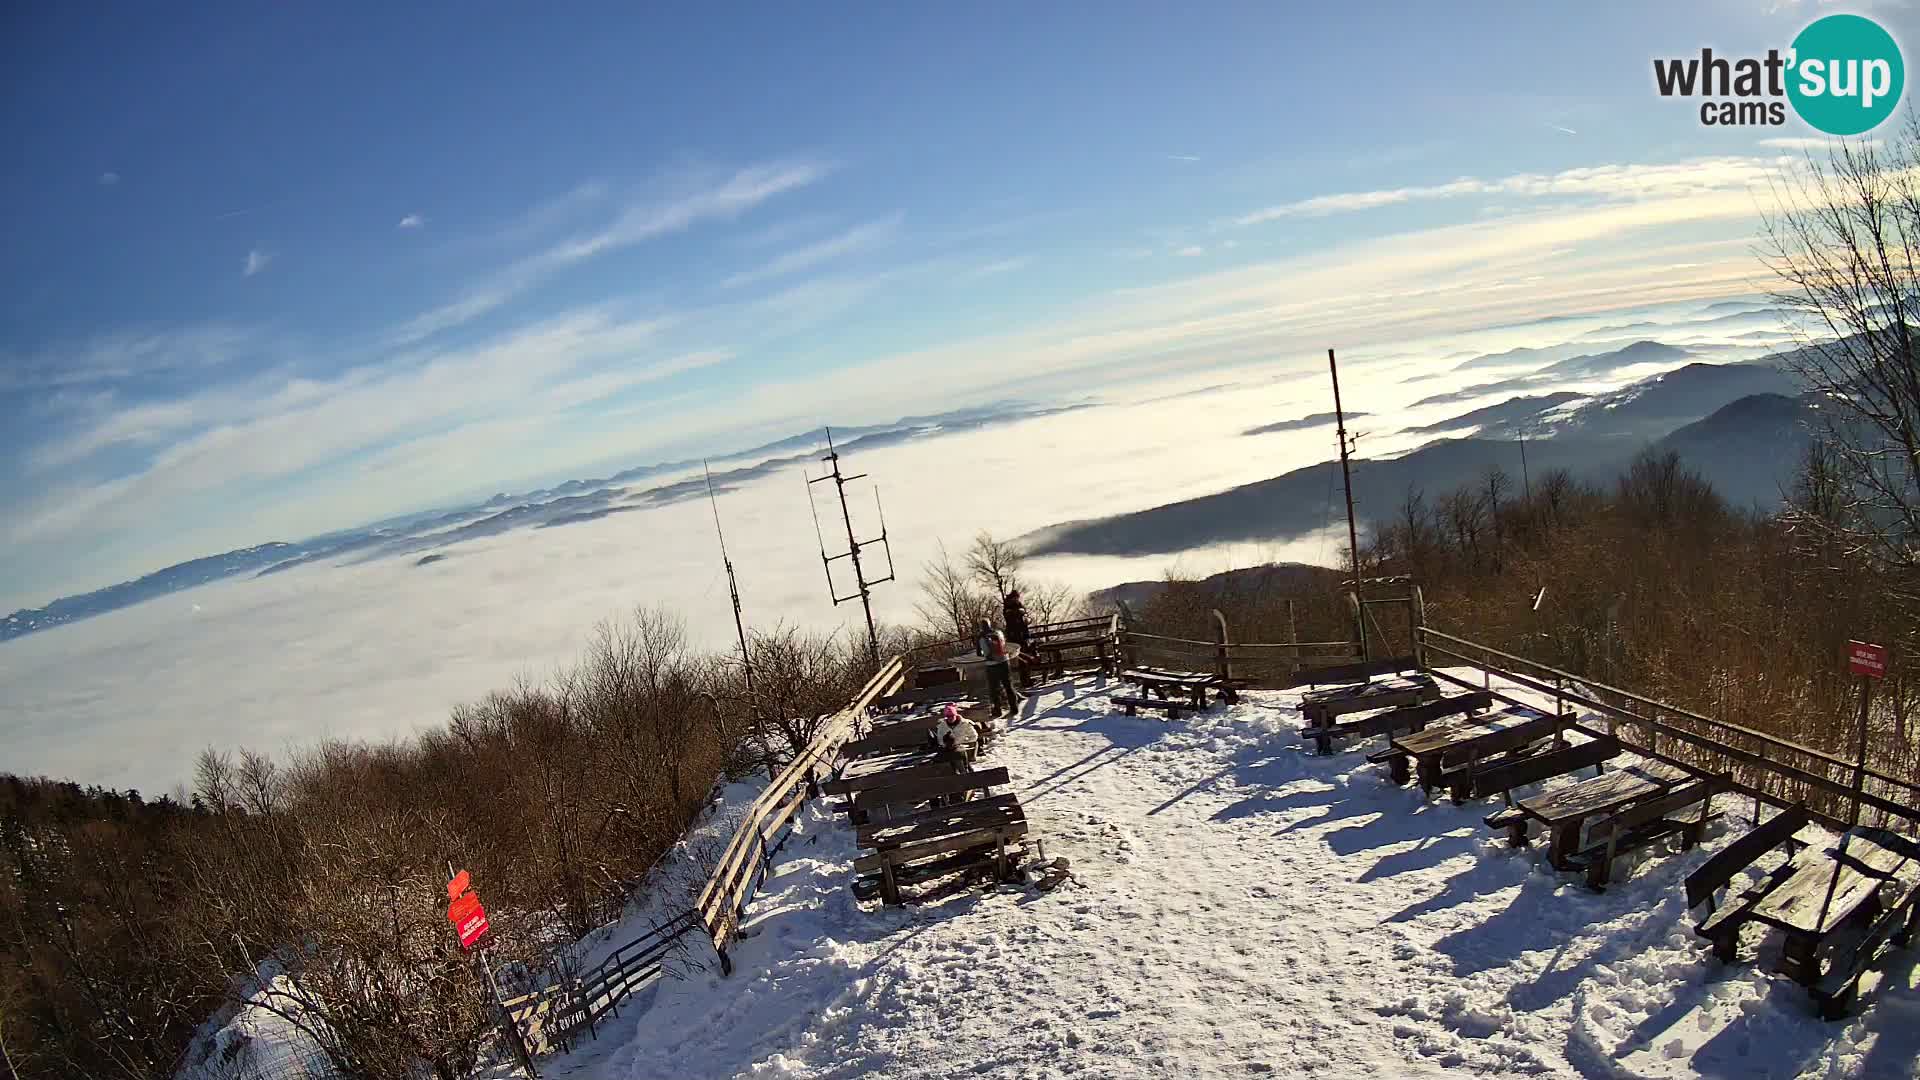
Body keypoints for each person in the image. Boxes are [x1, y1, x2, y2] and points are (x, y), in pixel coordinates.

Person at [976, 617, 1020, 717]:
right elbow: (1004, 646)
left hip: (991, 665)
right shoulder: (998, 633)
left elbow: (980, 653)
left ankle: (997, 710)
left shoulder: (981, 637)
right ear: (990, 624)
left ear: (981, 626)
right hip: (1004, 661)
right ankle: (1014, 708)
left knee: (993, 689)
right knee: (1008, 685)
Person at [1002, 590, 1032, 689]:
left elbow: (1025, 616)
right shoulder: (1008, 606)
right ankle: (1024, 681)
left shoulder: (1019, 605)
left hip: (1023, 634)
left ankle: (1027, 678)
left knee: (1027, 656)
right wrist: (1020, 613)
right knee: (1021, 659)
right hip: (1014, 636)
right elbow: (1011, 618)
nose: (1016, 599)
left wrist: (1026, 619)